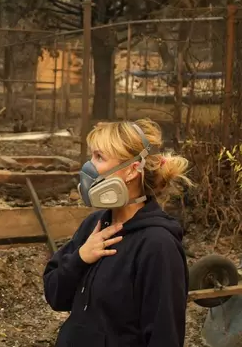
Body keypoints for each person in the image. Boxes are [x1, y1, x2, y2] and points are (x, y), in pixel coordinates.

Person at [43, 118, 191, 347]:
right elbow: (55, 295)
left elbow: (165, 336)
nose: (88, 167)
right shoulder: (95, 225)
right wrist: (80, 258)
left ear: (132, 170)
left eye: (99, 157)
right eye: (92, 156)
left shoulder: (158, 246)